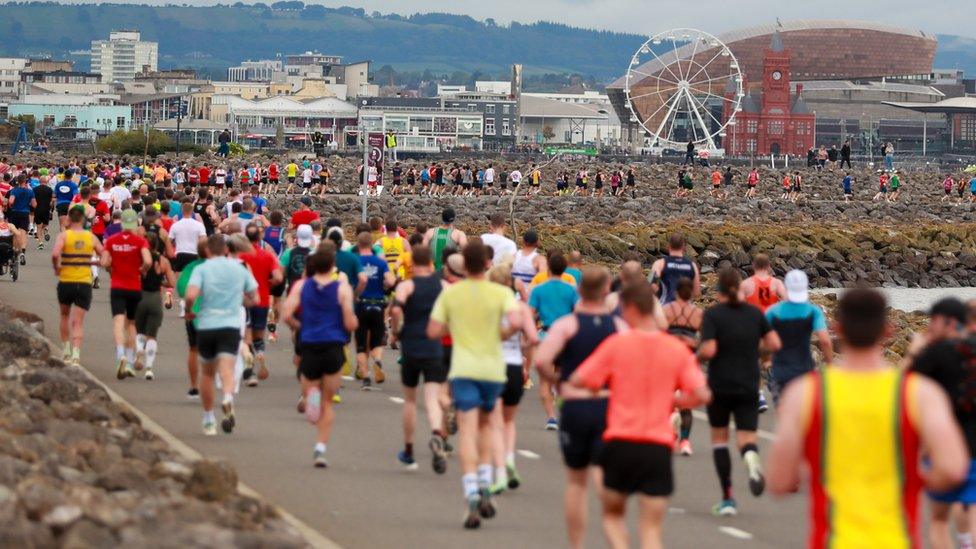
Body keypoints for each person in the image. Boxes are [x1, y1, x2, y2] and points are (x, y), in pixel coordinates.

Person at [769, 289, 969, 549]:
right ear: (887, 331)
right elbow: (953, 468)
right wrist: (916, 477)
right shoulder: (918, 393)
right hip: (896, 540)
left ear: (838, 329)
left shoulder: (805, 393)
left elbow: (779, 481)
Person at [570, 281, 711, 549]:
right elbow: (703, 394)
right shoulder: (676, 349)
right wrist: (676, 400)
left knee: (612, 515)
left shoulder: (616, 344)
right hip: (657, 446)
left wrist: (605, 390)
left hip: (621, 440)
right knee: (651, 529)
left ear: (631, 308)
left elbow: (579, 379)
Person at [427, 240, 522, 529]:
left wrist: (453, 328)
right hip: (494, 370)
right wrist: (501, 334)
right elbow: (517, 322)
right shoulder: (500, 293)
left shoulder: (452, 295)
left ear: (464, 265)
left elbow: (432, 331)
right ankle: (484, 483)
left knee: (466, 430)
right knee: (487, 426)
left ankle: (470, 490)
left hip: (464, 368)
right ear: (487, 264)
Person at [536, 266, 625, 548]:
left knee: (576, 482)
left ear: (579, 291)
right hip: (607, 404)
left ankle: (577, 545)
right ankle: (614, 529)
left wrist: (558, 381)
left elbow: (541, 360)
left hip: (575, 404)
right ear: (605, 291)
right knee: (604, 472)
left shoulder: (568, 325)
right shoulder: (618, 327)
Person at [698, 267, 781, 516]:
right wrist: (762, 354)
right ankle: (752, 460)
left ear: (720, 290)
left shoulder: (713, 315)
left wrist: (696, 356)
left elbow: (710, 350)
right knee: (746, 439)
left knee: (720, 441)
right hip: (748, 384)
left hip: (720, 383)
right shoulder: (754, 314)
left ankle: (727, 498)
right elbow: (774, 343)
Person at [904, 298, 976, 549]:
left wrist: (915, 351)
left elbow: (902, 386)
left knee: (939, 520)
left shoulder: (939, 352)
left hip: (942, 446)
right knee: (972, 507)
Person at [281, 241, 357, 467]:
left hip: (310, 344)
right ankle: (320, 448)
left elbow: (286, 314)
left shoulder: (301, 287)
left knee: (311, 390)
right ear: (333, 265)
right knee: (328, 402)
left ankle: (310, 401)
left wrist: (299, 325)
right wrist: (349, 326)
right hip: (333, 345)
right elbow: (350, 321)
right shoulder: (342, 288)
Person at [185, 235, 258, 436]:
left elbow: (190, 295)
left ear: (207, 251)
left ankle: (209, 419)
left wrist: (190, 311)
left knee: (208, 373)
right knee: (227, 368)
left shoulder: (201, 269)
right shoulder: (239, 268)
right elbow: (255, 297)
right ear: (226, 250)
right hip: (231, 325)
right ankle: (227, 398)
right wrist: (241, 301)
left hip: (207, 324)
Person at [390, 246, 450, 472]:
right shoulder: (443, 286)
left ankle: (408, 450)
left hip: (412, 345)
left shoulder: (408, 285)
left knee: (410, 400)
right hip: (434, 346)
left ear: (413, 264)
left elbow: (396, 311)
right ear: (432, 264)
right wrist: (443, 330)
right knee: (432, 397)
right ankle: (436, 432)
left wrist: (396, 331)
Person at [764, 270, 832, 404]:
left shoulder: (772, 311)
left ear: (786, 287)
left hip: (780, 371)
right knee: (803, 415)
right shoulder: (813, 311)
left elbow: (762, 340)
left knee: (784, 415)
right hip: (804, 370)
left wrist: (766, 360)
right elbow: (825, 341)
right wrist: (829, 363)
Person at [529, 252, 579, 430]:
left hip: (546, 334)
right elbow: (578, 313)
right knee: (563, 376)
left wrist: (531, 332)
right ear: (565, 269)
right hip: (565, 337)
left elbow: (530, 314)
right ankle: (564, 409)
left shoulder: (538, 290)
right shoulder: (571, 289)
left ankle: (551, 417)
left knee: (544, 380)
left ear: (548, 268)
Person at [102, 210, 152, 380]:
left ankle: (120, 355)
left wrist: (110, 268)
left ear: (122, 223)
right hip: (134, 286)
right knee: (131, 324)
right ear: (135, 225)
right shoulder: (140, 241)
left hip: (117, 285)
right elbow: (148, 261)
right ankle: (130, 362)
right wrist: (143, 271)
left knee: (118, 321)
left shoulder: (112, 241)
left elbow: (104, 261)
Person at [51, 204, 103, 366]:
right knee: (78, 321)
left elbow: (55, 254)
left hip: (66, 280)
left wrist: (57, 267)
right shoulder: (91, 237)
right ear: (82, 219)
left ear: (69, 218)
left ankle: (65, 350)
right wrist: (94, 262)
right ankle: (76, 354)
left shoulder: (64, 236)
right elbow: (104, 255)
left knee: (64, 316)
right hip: (83, 282)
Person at [662, 277, 703, 456]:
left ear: (676, 291)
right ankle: (685, 441)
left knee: (667, 403)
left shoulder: (666, 310)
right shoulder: (697, 313)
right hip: (688, 362)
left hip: (668, 361)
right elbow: (702, 341)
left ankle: (670, 437)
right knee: (686, 407)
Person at [240, 223, 283, 387]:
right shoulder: (267, 255)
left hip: (245, 299)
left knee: (246, 336)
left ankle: (249, 370)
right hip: (263, 298)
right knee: (259, 333)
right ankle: (260, 352)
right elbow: (278, 278)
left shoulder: (240, 256)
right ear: (259, 238)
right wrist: (267, 283)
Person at [354, 231, 395, 389]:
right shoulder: (380, 262)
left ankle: (365, 378)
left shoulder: (356, 261)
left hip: (361, 304)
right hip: (378, 304)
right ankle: (377, 360)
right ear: (372, 244)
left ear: (358, 244)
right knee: (377, 341)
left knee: (361, 344)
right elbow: (390, 281)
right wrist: (383, 284)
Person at [133, 232, 176, 380]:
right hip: (155, 298)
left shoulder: (138, 259)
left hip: (140, 296)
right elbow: (171, 283)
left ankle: (139, 350)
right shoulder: (163, 261)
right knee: (152, 336)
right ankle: (149, 368)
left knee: (139, 331)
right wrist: (161, 282)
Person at [169, 200, 208, 316]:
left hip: (180, 253)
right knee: (194, 280)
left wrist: (169, 252)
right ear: (192, 211)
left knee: (181, 280)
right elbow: (204, 240)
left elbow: (169, 240)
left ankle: (182, 302)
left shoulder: (176, 224)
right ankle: (190, 303)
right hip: (194, 254)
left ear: (182, 211)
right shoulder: (198, 225)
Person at [650, 233, 700, 306]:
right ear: (683, 247)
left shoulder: (659, 264)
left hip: (665, 307)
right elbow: (696, 292)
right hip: (685, 309)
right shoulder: (692, 265)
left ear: (669, 246)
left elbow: (652, 286)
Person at [423, 208, 467, 272]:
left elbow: (422, 251)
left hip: (432, 272)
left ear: (442, 218)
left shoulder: (430, 232)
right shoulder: (458, 234)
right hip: (450, 272)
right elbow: (466, 251)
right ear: (454, 219)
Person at [7, 176, 34, 265]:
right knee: (23, 232)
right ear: (25, 181)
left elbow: (11, 201)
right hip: (25, 213)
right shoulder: (30, 191)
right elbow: (34, 204)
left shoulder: (14, 190)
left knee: (15, 232)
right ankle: (22, 251)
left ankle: (15, 251)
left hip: (15, 212)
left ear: (17, 181)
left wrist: (11, 206)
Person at [32, 177, 54, 249]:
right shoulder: (49, 189)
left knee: (38, 226)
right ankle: (45, 231)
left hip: (37, 209)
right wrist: (51, 208)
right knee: (45, 224)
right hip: (46, 209)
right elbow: (52, 201)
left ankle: (40, 243)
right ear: (46, 181)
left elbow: (33, 200)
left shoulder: (34, 189)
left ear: (39, 181)